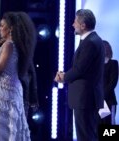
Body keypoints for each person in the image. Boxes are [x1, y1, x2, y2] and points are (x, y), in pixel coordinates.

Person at [0, 11, 36, 141]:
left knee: (3, 126)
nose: (0, 28)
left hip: (6, 89)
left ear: (11, 28)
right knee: (4, 125)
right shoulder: (12, 44)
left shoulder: (9, 44)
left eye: (2, 25)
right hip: (8, 88)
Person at [54, 9, 104, 141]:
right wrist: (65, 75)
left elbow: (80, 69)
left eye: (75, 22)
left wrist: (63, 77)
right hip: (86, 98)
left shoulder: (91, 43)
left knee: (86, 136)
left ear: (83, 25)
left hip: (85, 98)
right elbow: (82, 68)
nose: (72, 24)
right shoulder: (92, 40)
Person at [100, 40, 118, 125]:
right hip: (97, 101)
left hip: (108, 100)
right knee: (98, 125)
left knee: (108, 126)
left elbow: (112, 83)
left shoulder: (113, 63)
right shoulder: (96, 65)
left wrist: (102, 96)